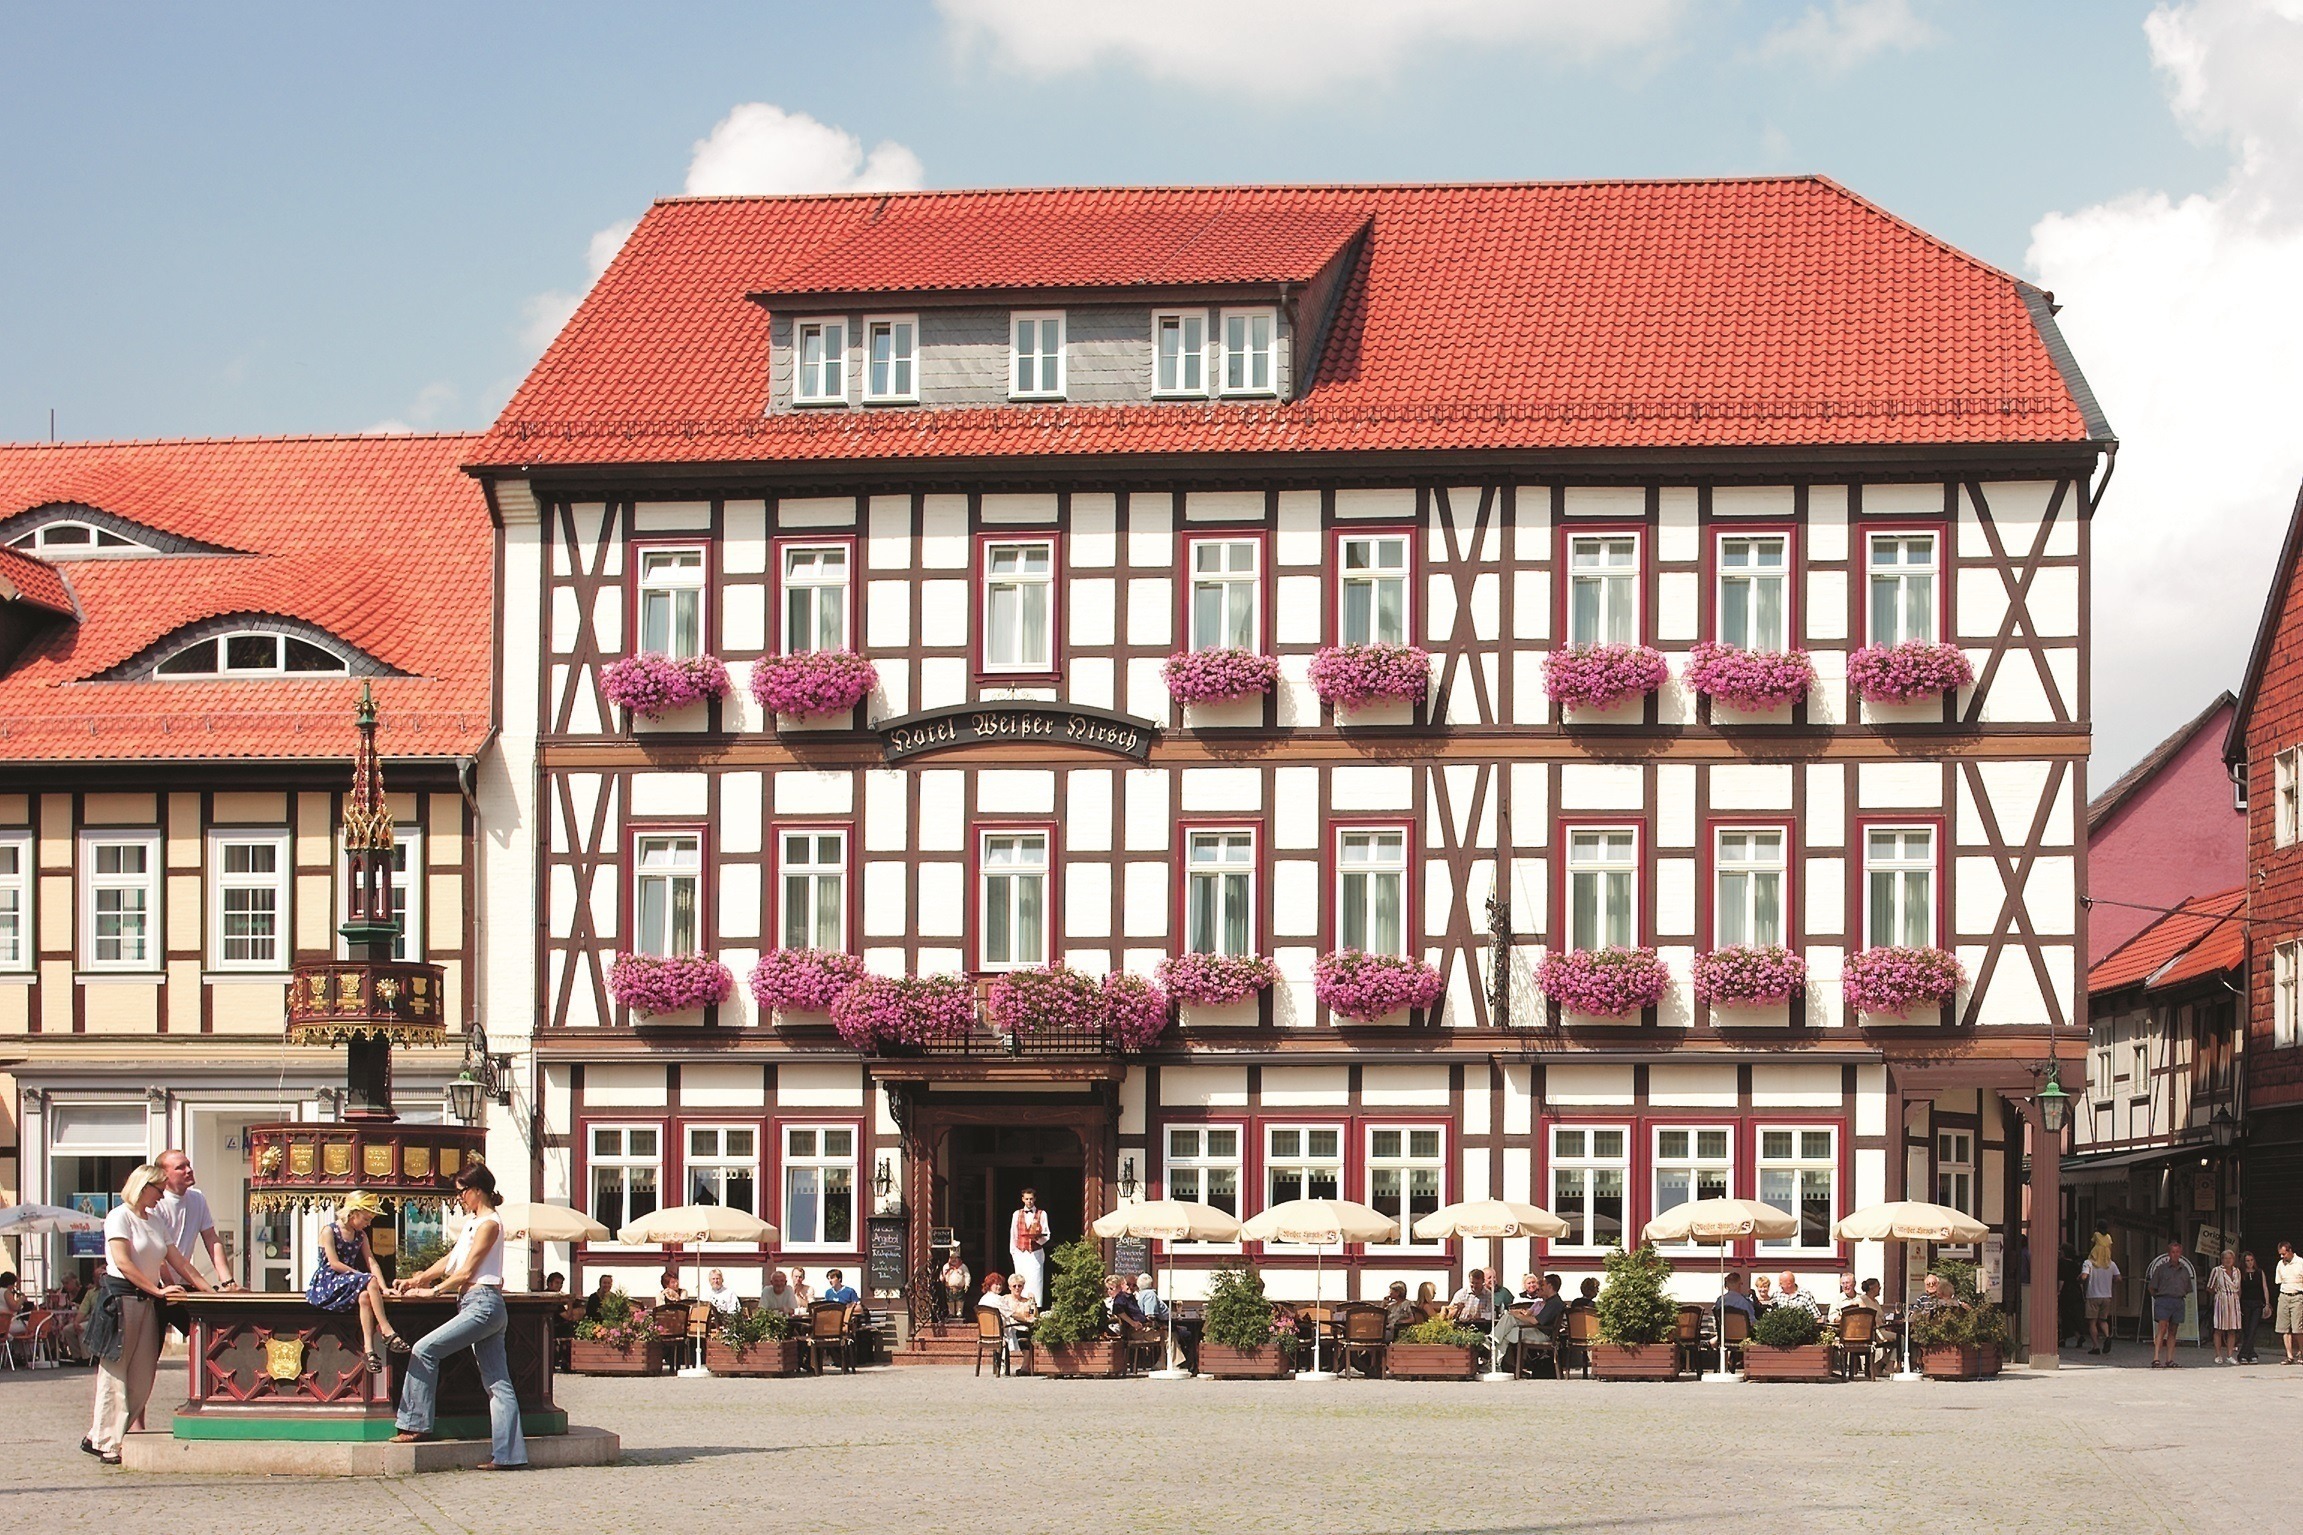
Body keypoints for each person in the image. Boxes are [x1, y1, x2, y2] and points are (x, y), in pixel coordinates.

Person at [389, 1162, 528, 1472]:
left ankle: (414, 1424)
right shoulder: (472, 1223)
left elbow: (466, 1271)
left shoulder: (490, 1224)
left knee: (424, 1349)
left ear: (477, 1190)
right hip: (477, 1304)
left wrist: (433, 1292)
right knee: (498, 1383)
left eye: (462, 1192)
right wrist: (418, 1279)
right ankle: (509, 1456)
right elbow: (451, 1261)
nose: (460, 1198)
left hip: (483, 1304)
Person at [82, 1163, 207, 1465]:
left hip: (147, 1302)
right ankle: (106, 1443)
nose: (161, 1197)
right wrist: (158, 1290)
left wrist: (211, 1294)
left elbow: (180, 1263)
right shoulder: (118, 1216)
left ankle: (104, 1435)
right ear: (143, 1186)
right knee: (115, 1373)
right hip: (121, 1300)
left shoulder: (154, 1222)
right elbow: (123, 1263)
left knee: (142, 1377)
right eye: (159, 1191)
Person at [304, 1191, 408, 1375]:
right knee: (368, 1280)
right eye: (366, 1219)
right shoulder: (329, 1230)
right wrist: (362, 1276)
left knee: (366, 1296)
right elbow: (334, 1263)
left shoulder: (361, 1236)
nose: (368, 1224)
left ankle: (369, 1350)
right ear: (354, 1212)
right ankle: (386, 1330)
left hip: (348, 1281)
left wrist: (384, 1288)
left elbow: (372, 1262)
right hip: (328, 1282)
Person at [153, 1150, 238, 1290]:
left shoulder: (197, 1198)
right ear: (163, 1174)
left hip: (182, 1280)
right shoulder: (156, 1202)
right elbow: (157, 1251)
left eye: (188, 1165)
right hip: (156, 1284)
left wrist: (228, 1282)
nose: (189, 1170)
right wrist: (168, 1284)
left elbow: (211, 1239)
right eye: (180, 1167)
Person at [2143, 1240, 2196, 1369]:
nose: (2175, 1254)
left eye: (2177, 1252)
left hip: (2178, 1301)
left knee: (2173, 1331)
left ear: (2181, 1253)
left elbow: (2188, 1288)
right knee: (2162, 1328)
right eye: (2173, 1252)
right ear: (2169, 1253)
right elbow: (2151, 1287)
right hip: (2163, 1300)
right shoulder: (2161, 1269)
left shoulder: (2184, 1271)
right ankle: (2156, 1358)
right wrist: (2158, 1298)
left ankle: (2170, 1359)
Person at [1008, 1189, 1051, 1307]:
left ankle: (1035, 1310)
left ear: (1035, 1199)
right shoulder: (1017, 1214)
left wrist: (1037, 1239)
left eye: (1031, 1199)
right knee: (1020, 1281)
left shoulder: (1042, 1214)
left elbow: (1047, 1234)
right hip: (1020, 1254)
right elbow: (1014, 1234)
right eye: (1026, 1199)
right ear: (1022, 1199)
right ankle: (1020, 1308)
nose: (1029, 1201)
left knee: (1035, 1282)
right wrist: (1014, 1253)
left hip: (1035, 1254)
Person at [2079, 1245, 2119, 1355]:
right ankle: (2107, 1336)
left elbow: (2084, 1277)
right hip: (2107, 1296)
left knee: (2092, 1322)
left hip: (2092, 1296)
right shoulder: (2111, 1264)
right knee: (2103, 1320)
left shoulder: (2088, 1263)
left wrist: (2079, 1279)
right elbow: (2118, 1278)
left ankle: (2095, 1346)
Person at [2208, 1247, 2243, 1364]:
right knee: (2219, 1328)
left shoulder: (2237, 1271)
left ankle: (2229, 1355)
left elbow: (2239, 1288)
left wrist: (2237, 1298)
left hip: (2233, 1300)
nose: (2228, 1260)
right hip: (2221, 1299)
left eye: (2230, 1258)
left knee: (2232, 1329)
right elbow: (2210, 1287)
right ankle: (2218, 1355)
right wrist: (2218, 1295)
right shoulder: (2217, 1270)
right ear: (2222, 1260)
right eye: (2225, 1258)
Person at [2239, 1250, 2271, 1364]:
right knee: (2247, 1329)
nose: (2250, 1263)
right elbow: (2239, 1290)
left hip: (2257, 1303)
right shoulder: (2241, 1273)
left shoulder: (2259, 1272)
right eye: (2247, 1261)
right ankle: (2250, 1353)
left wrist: (2267, 1303)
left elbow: (2265, 1288)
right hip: (2245, 1303)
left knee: (2253, 1328)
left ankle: (2243, 1353)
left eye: (2251, 1260)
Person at [2276, 1240, 2303, 1364]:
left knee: (2297, 1328)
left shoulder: (2300, 1263)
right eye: (2280, 1254)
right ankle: (2289, 1355)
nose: (2282, 1256)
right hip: (2284, 1295)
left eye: (2284, 1254)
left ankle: (2301, 1353)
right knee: (2284, 1327)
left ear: (2290, 1251)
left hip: (2297, 1296)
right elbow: (2279, 1281)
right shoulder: (2281, 1264)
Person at [1002, 1273, 1037, 1354]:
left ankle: (1025, 1365)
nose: (1017, 1288)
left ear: (1023, 1287)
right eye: (1014, 1286)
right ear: (1009, 1287)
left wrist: (1033, 1302)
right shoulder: (1004, 1299)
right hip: (1008, 1328)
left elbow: (1033, 1316)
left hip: (1023, 1327)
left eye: (1019, 1286)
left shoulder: (1026, 1301)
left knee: (1028, 1335)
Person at [940, 1250, 973, 1322]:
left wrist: (967, 1284)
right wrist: (942, 1278)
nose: (953, 1260)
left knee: (960, 1301)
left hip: (959, 1288)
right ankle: (951, 1313)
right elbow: (942, 1274)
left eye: (956, 1258)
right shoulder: (946, 1266)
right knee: (950, 1300)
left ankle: (959, 1313)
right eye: (952, 1258)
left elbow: (967, 1276)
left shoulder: (963, 1266)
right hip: (949, 1287)